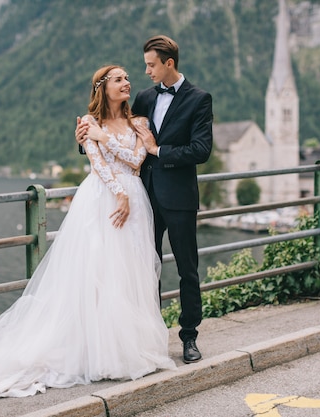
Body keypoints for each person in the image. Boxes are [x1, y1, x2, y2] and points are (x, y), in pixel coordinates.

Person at [0, 65, 176, 400]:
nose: (127, 83)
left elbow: (137, 160)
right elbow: (98, 162)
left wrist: (106, 141)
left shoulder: (138, 122)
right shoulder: (87, 122)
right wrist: (119, 191)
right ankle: (95, 350)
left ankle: (126, 348)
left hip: (135, 201)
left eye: (128, 78)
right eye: (119, 79)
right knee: (96, 271)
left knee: (129, 273)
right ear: (102, 87)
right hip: (102, 200)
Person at [76, 35, 213, 364]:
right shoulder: (144, 97)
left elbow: (201, 150)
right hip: (143, 200)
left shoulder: (199, 99)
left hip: (178, 197)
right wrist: (83, 140)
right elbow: (117, 127)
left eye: (151, 65)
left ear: (169, 64)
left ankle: (189, 337)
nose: (146, 71)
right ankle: (149, 336)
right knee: (142, 270)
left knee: (187, 271)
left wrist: (158, 151)